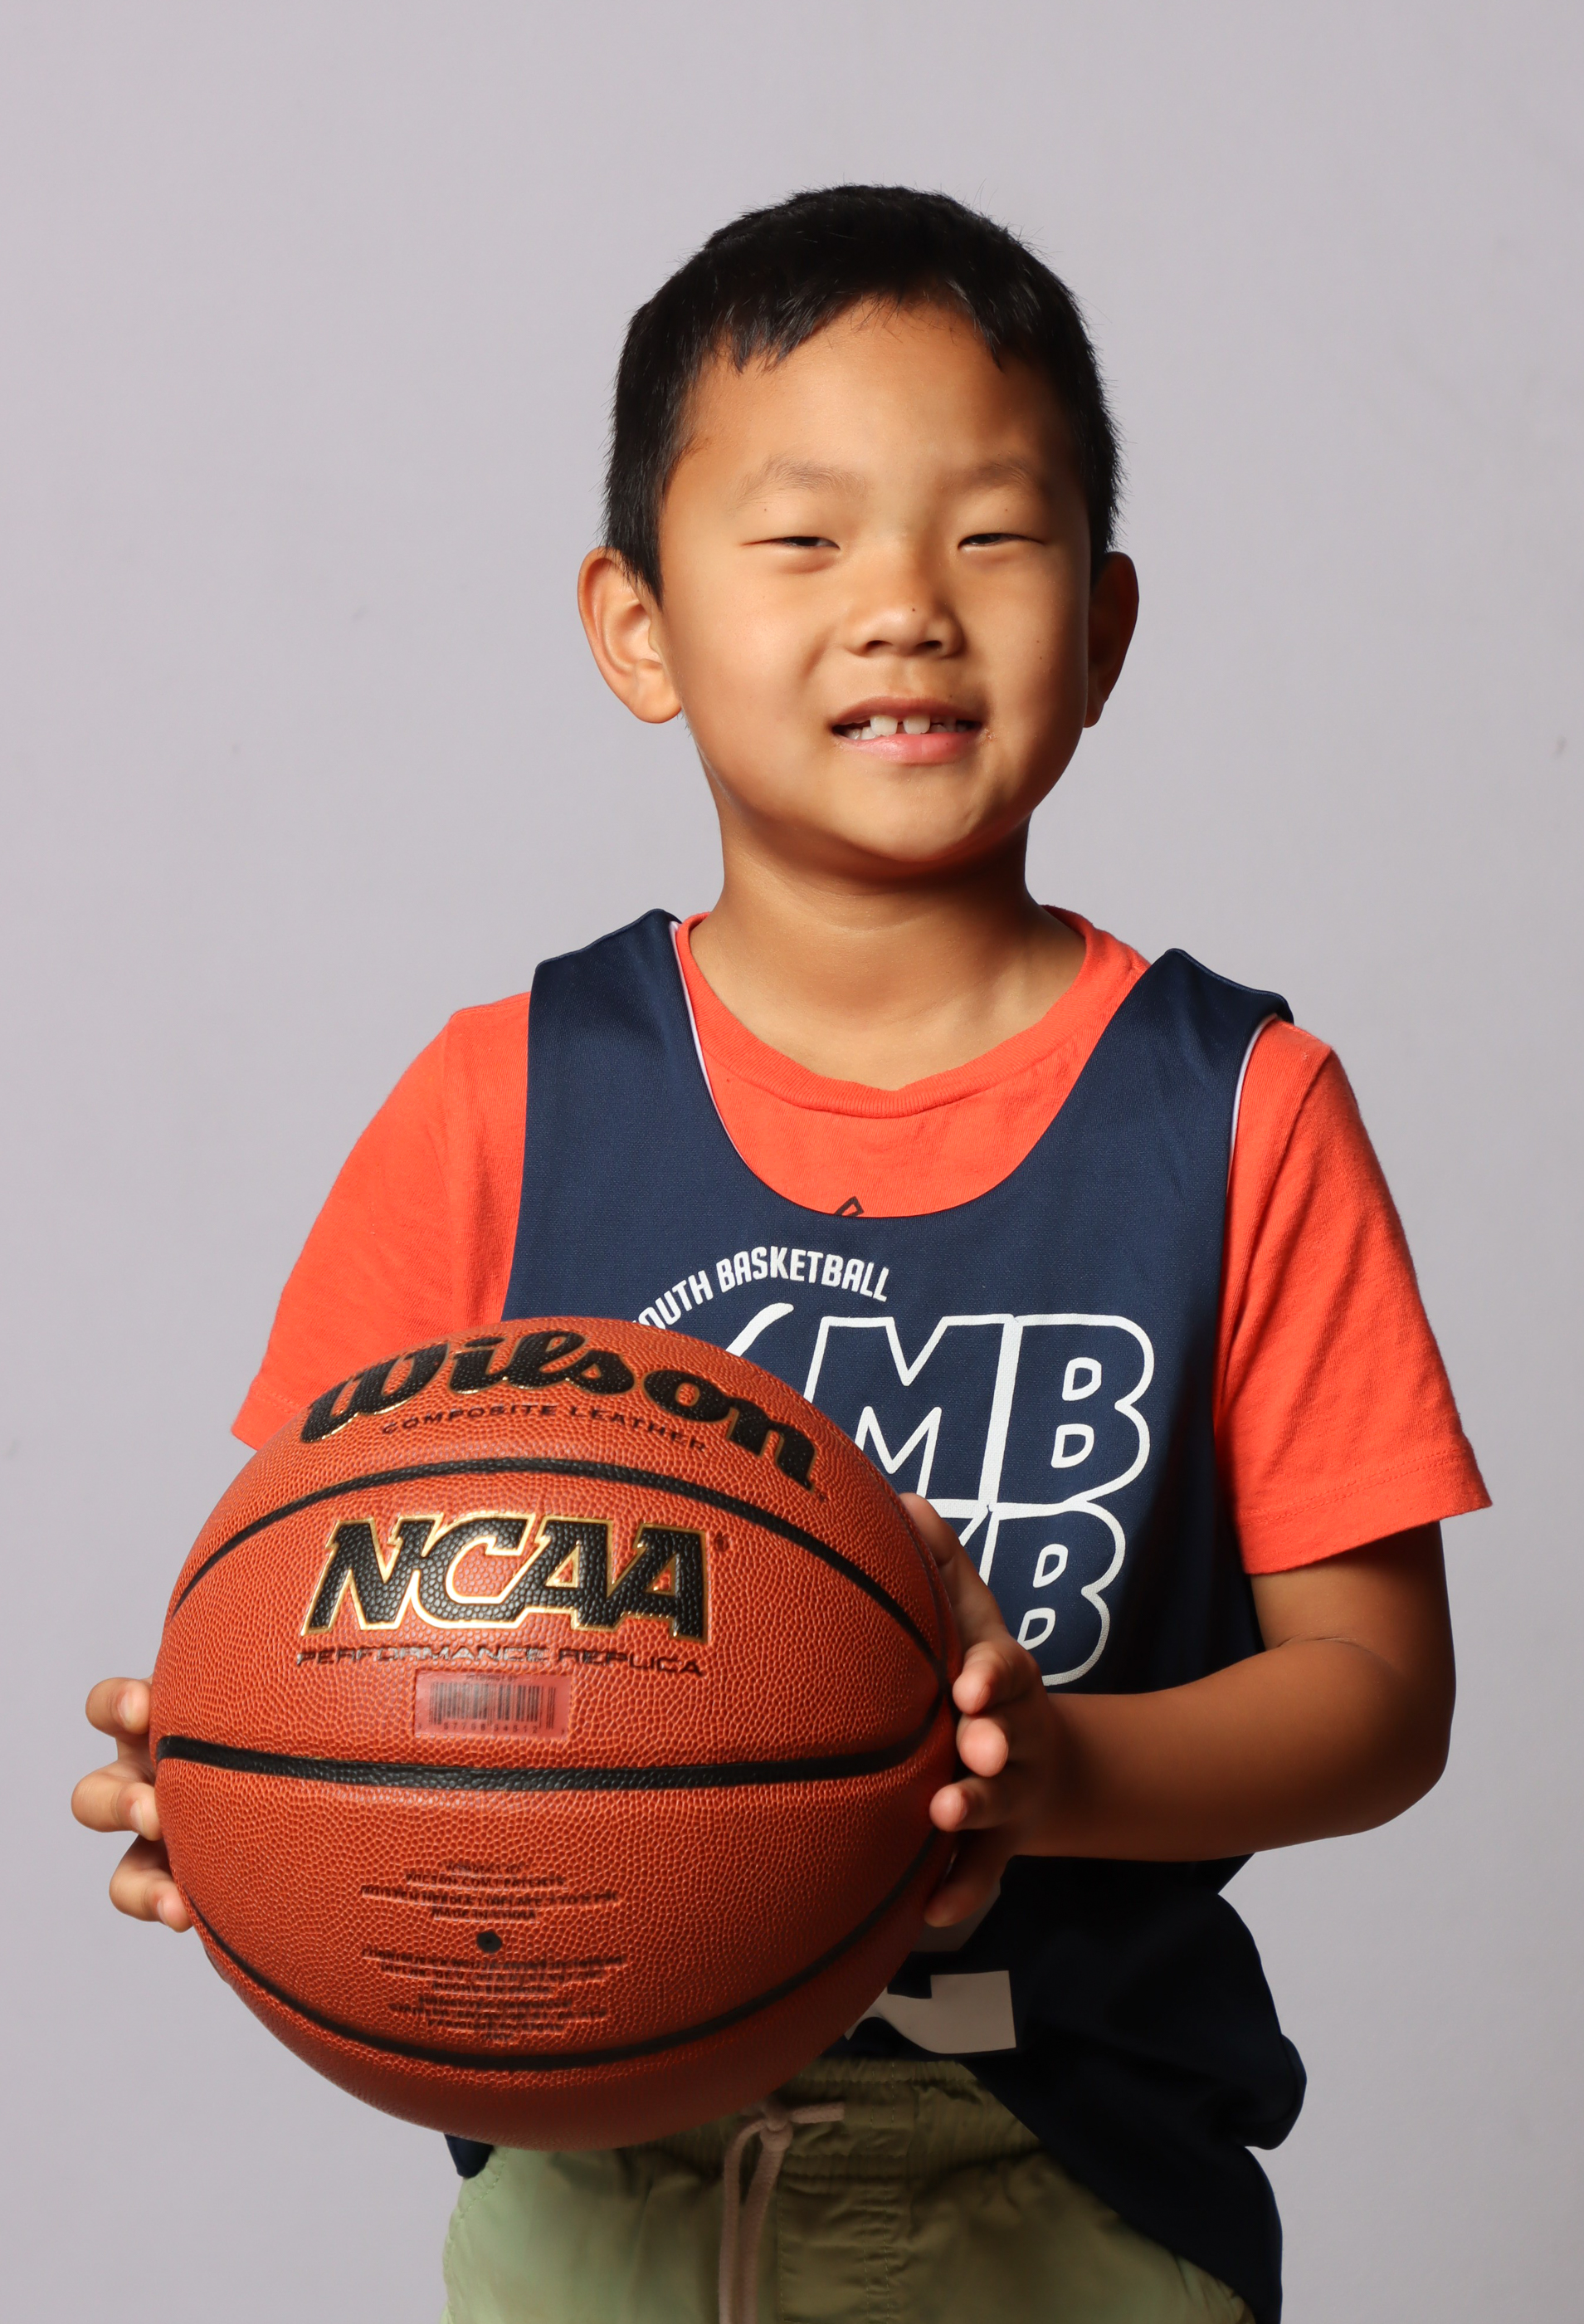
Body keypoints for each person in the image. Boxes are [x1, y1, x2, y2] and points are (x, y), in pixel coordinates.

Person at [71, 186, 1487, 2324]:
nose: (904, 606)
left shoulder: (1237, 1113)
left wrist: (1055, 1774)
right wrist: (257, 1781)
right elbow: (323, 1583)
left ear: (1106, 624)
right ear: (637, 626)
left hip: (1070, 2188)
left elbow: (1379, 1701)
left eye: (990, 535)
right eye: (805, 537)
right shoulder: (504, 1100)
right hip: (594, 2190)